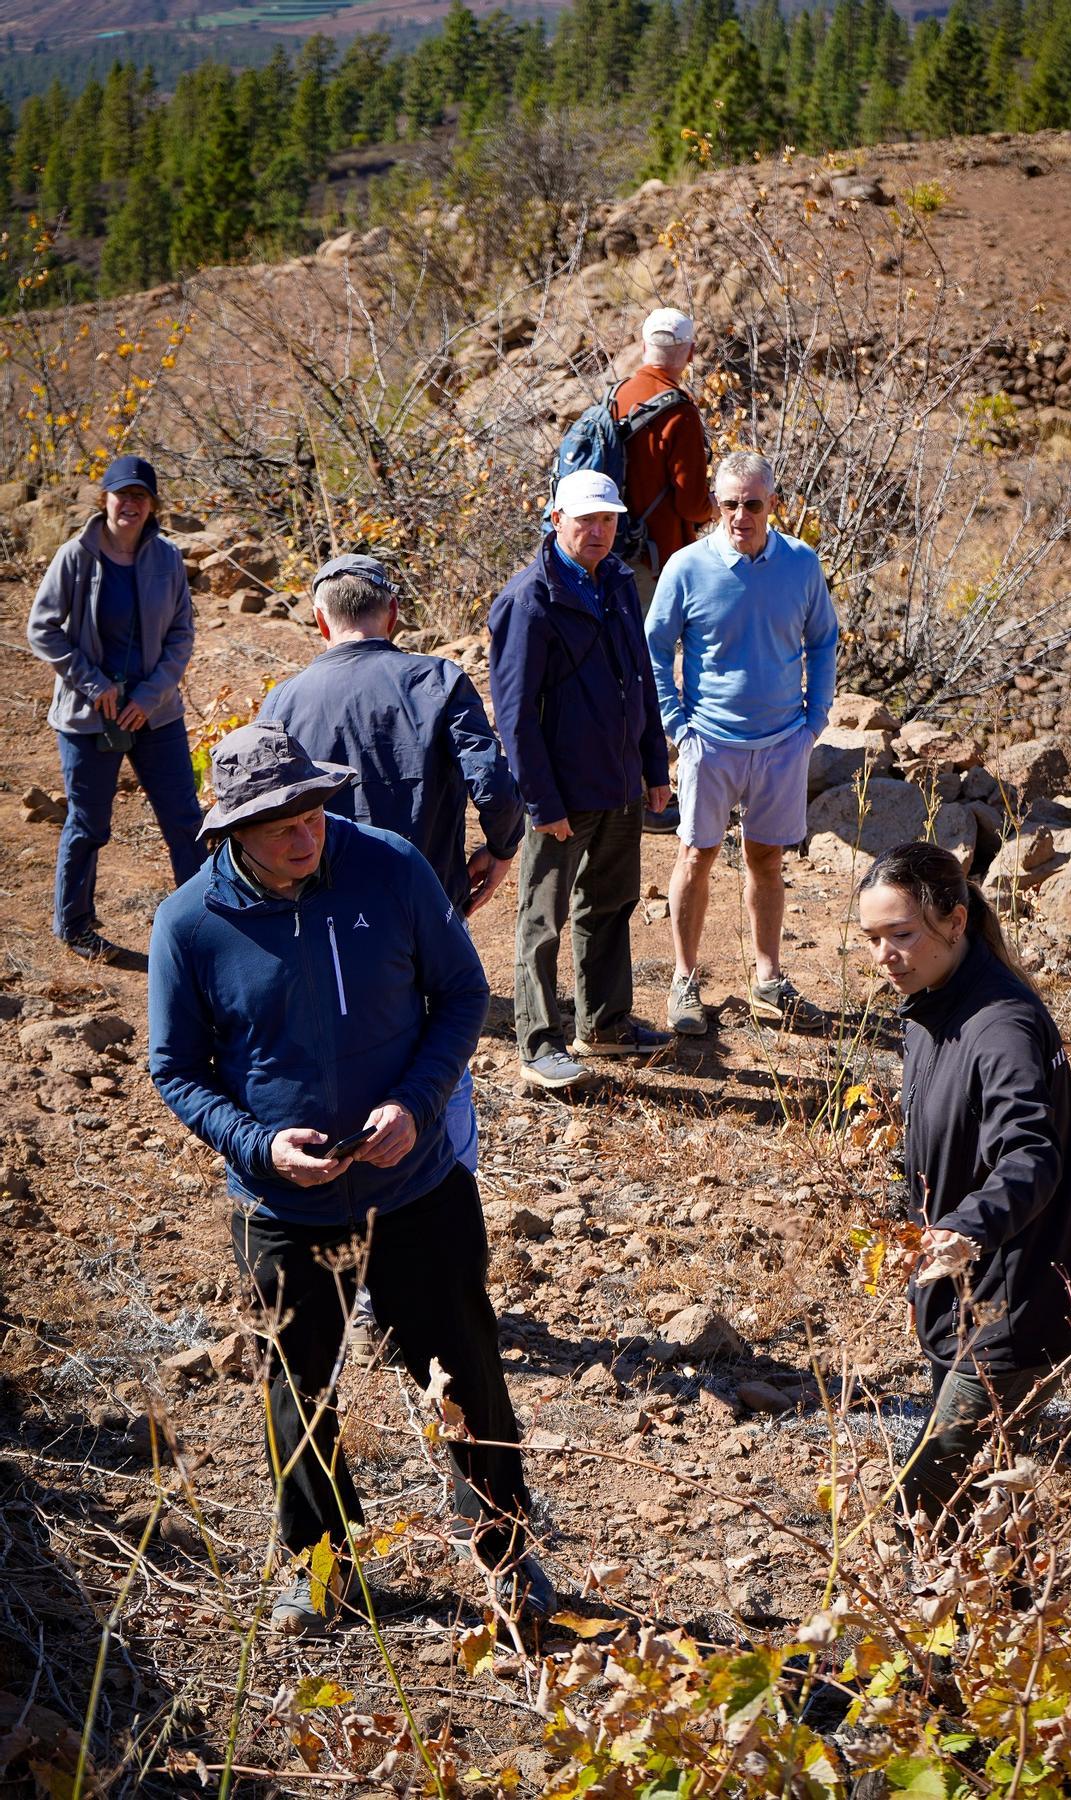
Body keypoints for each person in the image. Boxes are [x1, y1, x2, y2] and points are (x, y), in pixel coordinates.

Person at [148, 721, 554, 1634]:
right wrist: (256, 1146)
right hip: (283, 1207)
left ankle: (509, 1555)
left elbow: (460, 993)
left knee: (467, 1375)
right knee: (299, 1393)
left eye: (314, 810)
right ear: (231, 833)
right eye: (281, 823)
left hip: (417, 1187)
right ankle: (321, 1568)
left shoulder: (391, 866)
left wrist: (416, 1102)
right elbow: (174, 1068)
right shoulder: (188, 925)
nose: (307, 833)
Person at [256, 551, 524, 1174]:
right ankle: (450, 1187)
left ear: (321, 623)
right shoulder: (437, 680)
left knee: (344, 1044)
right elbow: (495, 786)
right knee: (440, 1047)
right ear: (394, 615)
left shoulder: (284, 702)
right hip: (425, 906)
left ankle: (342, 1183)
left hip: (316, 915)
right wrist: (502, 849)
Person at [857, 841, 1071, 1534]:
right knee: (986, 1507)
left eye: (902, 934)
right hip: (962, 1297)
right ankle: (1003, 1616)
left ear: (954, 922)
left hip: (1010, 1307)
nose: (884, 956)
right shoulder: (936, 1001)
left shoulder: (1002, 1025)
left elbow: (1031, 1155)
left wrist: (970, 1223)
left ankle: (934, 1626)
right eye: (872, 939)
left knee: (921, 1508)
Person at [489, 468, 672, 1091]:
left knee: (610, 904)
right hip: (561, 794)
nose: (598, 531)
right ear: (556, 519)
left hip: (619, 783)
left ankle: (605, 1024)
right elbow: (514, 716)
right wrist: (541, 800)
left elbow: (640, 680)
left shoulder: (617, 581)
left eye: (608, 519)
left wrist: (654, 768)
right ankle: (539, 1042)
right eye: (586, 519)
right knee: (542, 919)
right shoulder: (528, 599)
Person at [644, 450, 838, 1037]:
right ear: (716, 506)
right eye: (729, 504)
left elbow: (824, 639)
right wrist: (677, 726)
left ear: (773, 504)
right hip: (711, 742)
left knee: (766, 861)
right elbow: (654, 648)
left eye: (753, 503)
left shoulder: (802, 564)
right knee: (694, 857)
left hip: (782, 743)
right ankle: (684, 978)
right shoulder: (686, 567)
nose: (739, 515)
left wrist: (815, 719)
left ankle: (768, 979)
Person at [26, 453, 204, 961]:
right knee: (89, 822)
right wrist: (90, 682)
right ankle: (75, 924)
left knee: (183, 818)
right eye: (122, 494)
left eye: (140, 496)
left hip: (155, 714)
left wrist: (149, 698)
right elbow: (42, 629)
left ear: (151, 506)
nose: (130, 503)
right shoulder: (75, 556)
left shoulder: (167, 557)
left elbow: (181, 635)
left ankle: (202, 922)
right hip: (89, 716)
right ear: (104, 498)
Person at [615, 308, 714, 619]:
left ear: (644, 348)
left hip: (610, 548)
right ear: (691, 353)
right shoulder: (680, 412)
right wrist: (715, 507)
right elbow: (691, 504)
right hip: (656, 559)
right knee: (650, 655)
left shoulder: (617, 396)